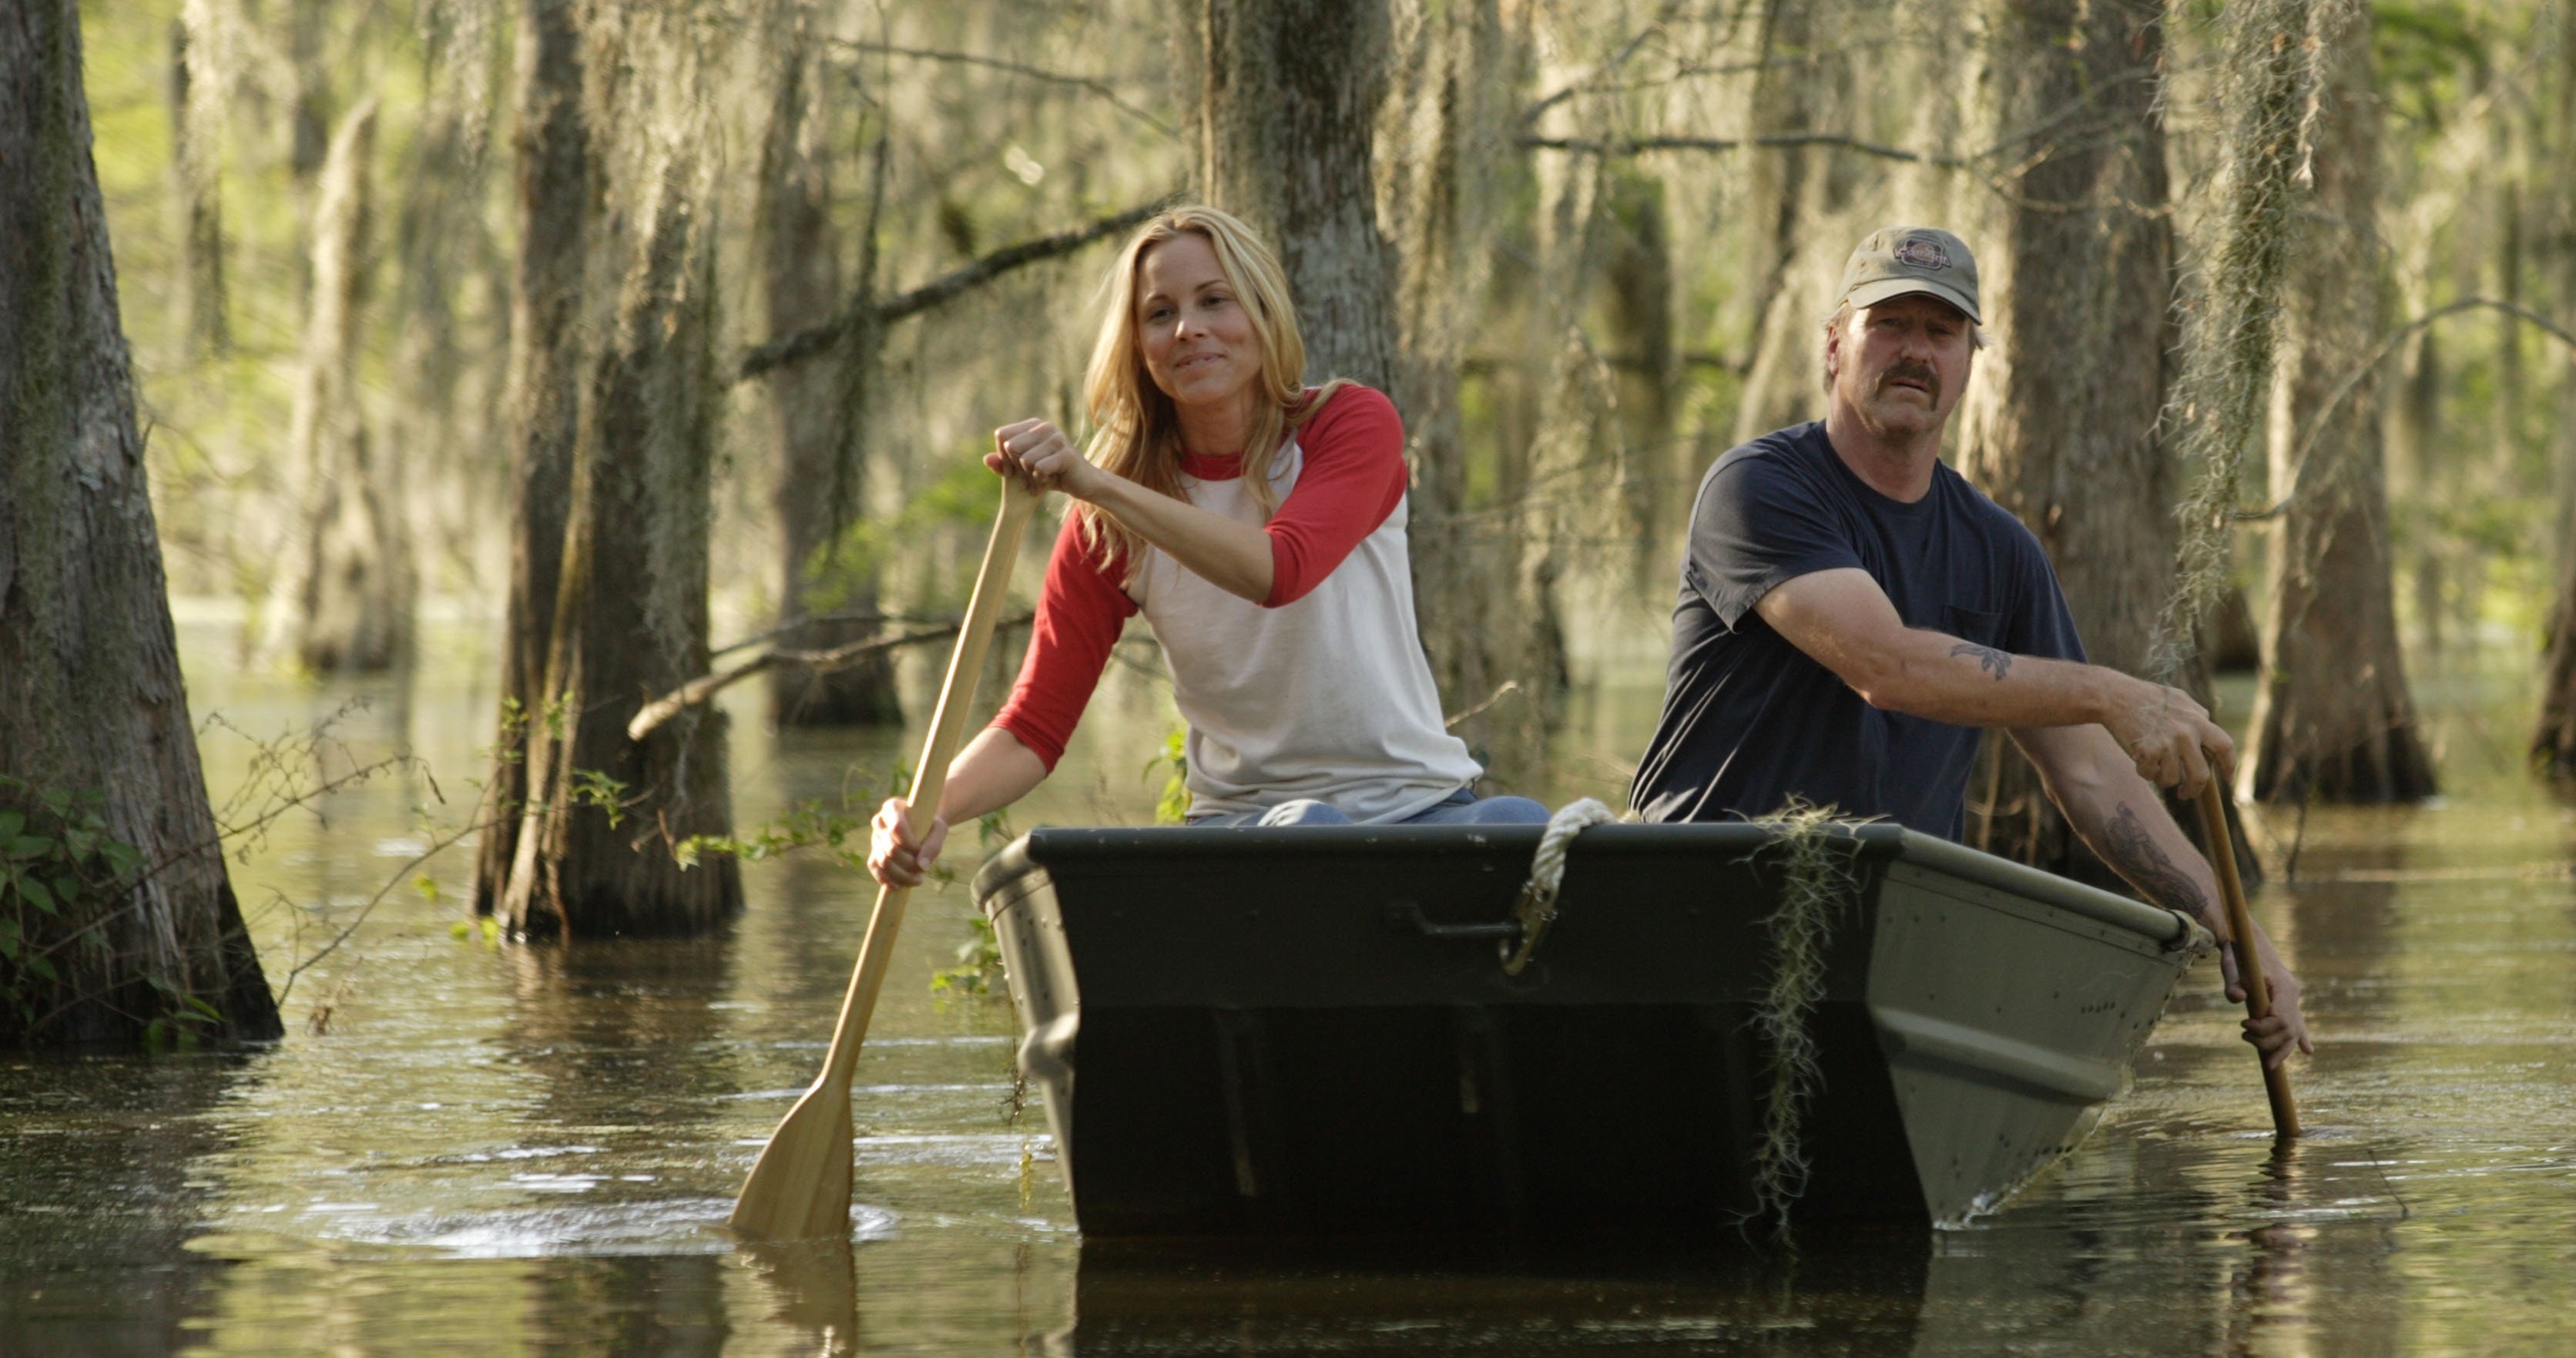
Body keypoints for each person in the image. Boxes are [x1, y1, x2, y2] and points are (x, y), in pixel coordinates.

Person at [1628, 225, 2309, 1066]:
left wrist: (2237, 929)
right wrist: (2110, 691)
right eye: (1890, 326)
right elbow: (1887, 667)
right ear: (1836, 345)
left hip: (1889, 945)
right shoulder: (1759, 488)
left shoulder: (2000, 551)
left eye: (1940, 332)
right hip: (1700, 918)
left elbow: (2091, 776)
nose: (1915, 351)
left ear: (1970, 363)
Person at [868, 206, 1544, 887]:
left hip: (1421, 808)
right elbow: (1033, 728)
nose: (1188, 328)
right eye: (1160, 314)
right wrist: (927, 810)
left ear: (1262, 312)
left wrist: (1095, 482)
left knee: (1526, 826)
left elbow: (1281, 570)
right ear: (1138, 344)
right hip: (1252, 822)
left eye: (1214, 301)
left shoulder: (1347, 423)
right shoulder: (1107, 518)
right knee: (1316, 835)